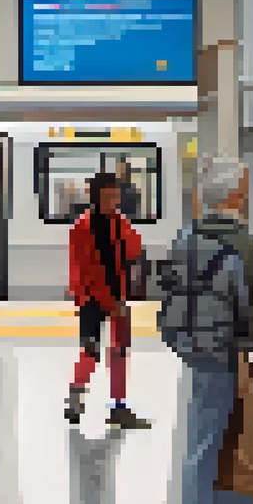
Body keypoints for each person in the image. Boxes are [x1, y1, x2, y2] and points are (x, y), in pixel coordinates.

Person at [157, 156, 253, 504]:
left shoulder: (187, 235)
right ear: (234, 195)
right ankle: (198, 498)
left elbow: (169, 286)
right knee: (209, 436)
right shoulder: (242, 242)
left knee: (208, 424)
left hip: (191, 341)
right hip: (224, 349)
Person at [66, 171, 150, 430]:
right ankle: (76, 398)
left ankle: (118, 408)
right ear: (95, 197)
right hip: (93, 298)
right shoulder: (82, 227)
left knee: (119, 353)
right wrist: (109, 302)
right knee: (90, 351)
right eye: (108, 195)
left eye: (116, 195)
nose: (113, 200)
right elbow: (89, 270)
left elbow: (135, 248)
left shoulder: (119, 222)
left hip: (118, 296)